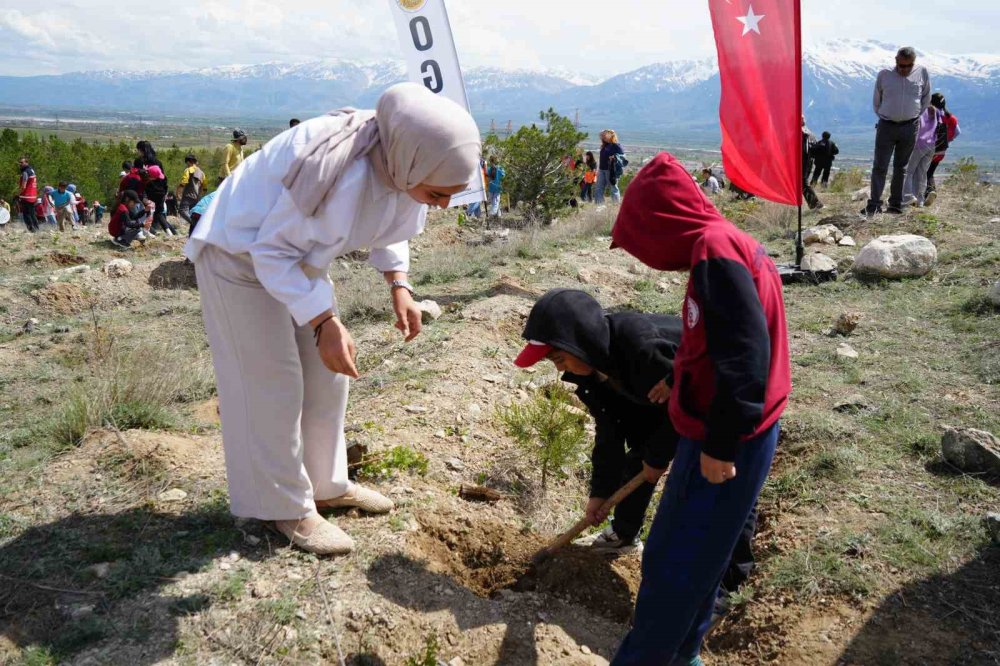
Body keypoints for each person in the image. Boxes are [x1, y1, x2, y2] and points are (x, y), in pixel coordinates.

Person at [183, 83, 481, 556]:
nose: (442, 204)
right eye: (439, 193)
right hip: (238, 257)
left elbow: (394, 217)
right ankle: (286, 508)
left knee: (327, 377)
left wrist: (398, 283)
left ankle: (325, 485)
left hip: (295, 258)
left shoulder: (403, 156)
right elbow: (271, 251)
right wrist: (324, 322)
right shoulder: (337, 169)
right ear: (412, 165)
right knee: (271, 384)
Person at [607, 152, 791, 665]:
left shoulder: (716, 251)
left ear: (660, 223)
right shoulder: (721, 246)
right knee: (692, 562)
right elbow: (712, 337)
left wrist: (720, 443)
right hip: (720, 430)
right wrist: (677, 377)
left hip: (726, 441)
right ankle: (684, 655)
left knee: (675, 568)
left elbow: (747, 354)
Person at [863, 46, 932, 217]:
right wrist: (885, 115)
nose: (905, 69)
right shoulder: (884, 75)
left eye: (909, 66)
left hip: (910, 126)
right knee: (880, 166)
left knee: (901, 167)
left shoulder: (922, 73)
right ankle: (874, 204)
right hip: (887, 125)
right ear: (896, 61)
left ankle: (895, 204)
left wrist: (914, 116)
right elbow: (877, 100)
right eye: (902, 66)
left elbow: (926, 98)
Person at [901, 101, 943, 208]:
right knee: (922, 173)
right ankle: (920, 201)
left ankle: (907, 198)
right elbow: (940, 126)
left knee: (909, 172)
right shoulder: (937, 111)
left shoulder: (919, 111)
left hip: (918, 144)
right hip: (931, 146)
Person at [925, 93, 960, 200]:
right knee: (930, 172)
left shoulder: (931, 114)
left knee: (921, 171)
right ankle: (930, 192)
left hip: (927, 148)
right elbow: (957, 132)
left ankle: (928, 192)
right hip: (941, 150)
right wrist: (948, 140)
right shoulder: (952, 118)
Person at [142, 162, 177, 236]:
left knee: (147, 215)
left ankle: (149, 232)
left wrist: (145, 199)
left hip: (152, 200)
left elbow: (145, 191)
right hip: (161, 198)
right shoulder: (163, 178)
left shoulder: (150, 184)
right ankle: (169, 232)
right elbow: (166, 187)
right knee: (159, 214)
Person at [176, 153, 207, 232]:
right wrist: (200, 196)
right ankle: (194, 229)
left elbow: (184, 182)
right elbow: (205, 187)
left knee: (182, 211)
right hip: (197, 197)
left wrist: (178, 192)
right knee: (193, 214)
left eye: (187, 163)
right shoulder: (202, 173)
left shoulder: (188, 170)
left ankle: (196, 224)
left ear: (189, 162)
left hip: (187, 195)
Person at [596, 130, 625, 205]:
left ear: (611, 135)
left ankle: (615, 204)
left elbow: (623, 156)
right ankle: (599, 204)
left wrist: (615, 157)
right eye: (602, 136)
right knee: (599, 187)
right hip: (602, 169)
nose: (603, 137)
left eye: (605, 135)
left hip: (611, 169)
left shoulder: (616, 145)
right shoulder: (604, 145)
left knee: (613, 187)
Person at [801, 118, 823, 210]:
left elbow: (804, 151)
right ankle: (815, 203)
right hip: (808, 161)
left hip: (803, 161)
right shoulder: (810, 133)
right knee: (803, 183)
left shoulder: (803, 133)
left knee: (803, 183)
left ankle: (815, 204)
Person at [17, 157, 40, 233]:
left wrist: (18, 194)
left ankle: (31, 230)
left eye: (22, 162)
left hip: (26, 196)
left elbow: (23, 186)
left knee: (26, 214)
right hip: (33, 196)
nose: (20, 164)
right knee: (32, 213)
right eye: (20, 162)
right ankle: (37, 228)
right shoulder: (32, 170)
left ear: (27, 163)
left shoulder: (25, 172)